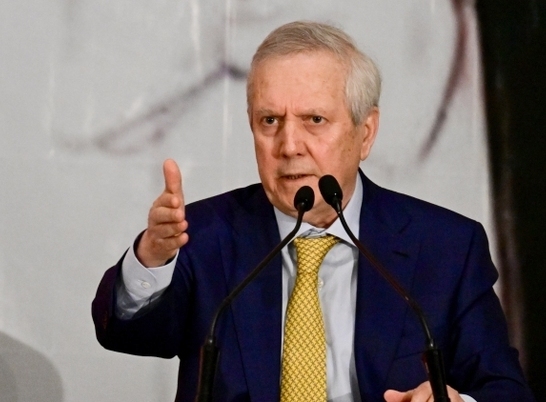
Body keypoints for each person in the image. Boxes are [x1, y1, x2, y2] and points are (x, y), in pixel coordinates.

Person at [92, 21, 534, 401]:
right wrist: (153, 258)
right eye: (270, 121)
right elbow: (125, 333)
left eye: (314, 120)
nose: (289, 146)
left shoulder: (445, 247)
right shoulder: (205, 235)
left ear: (366, 133)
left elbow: (504, 389)